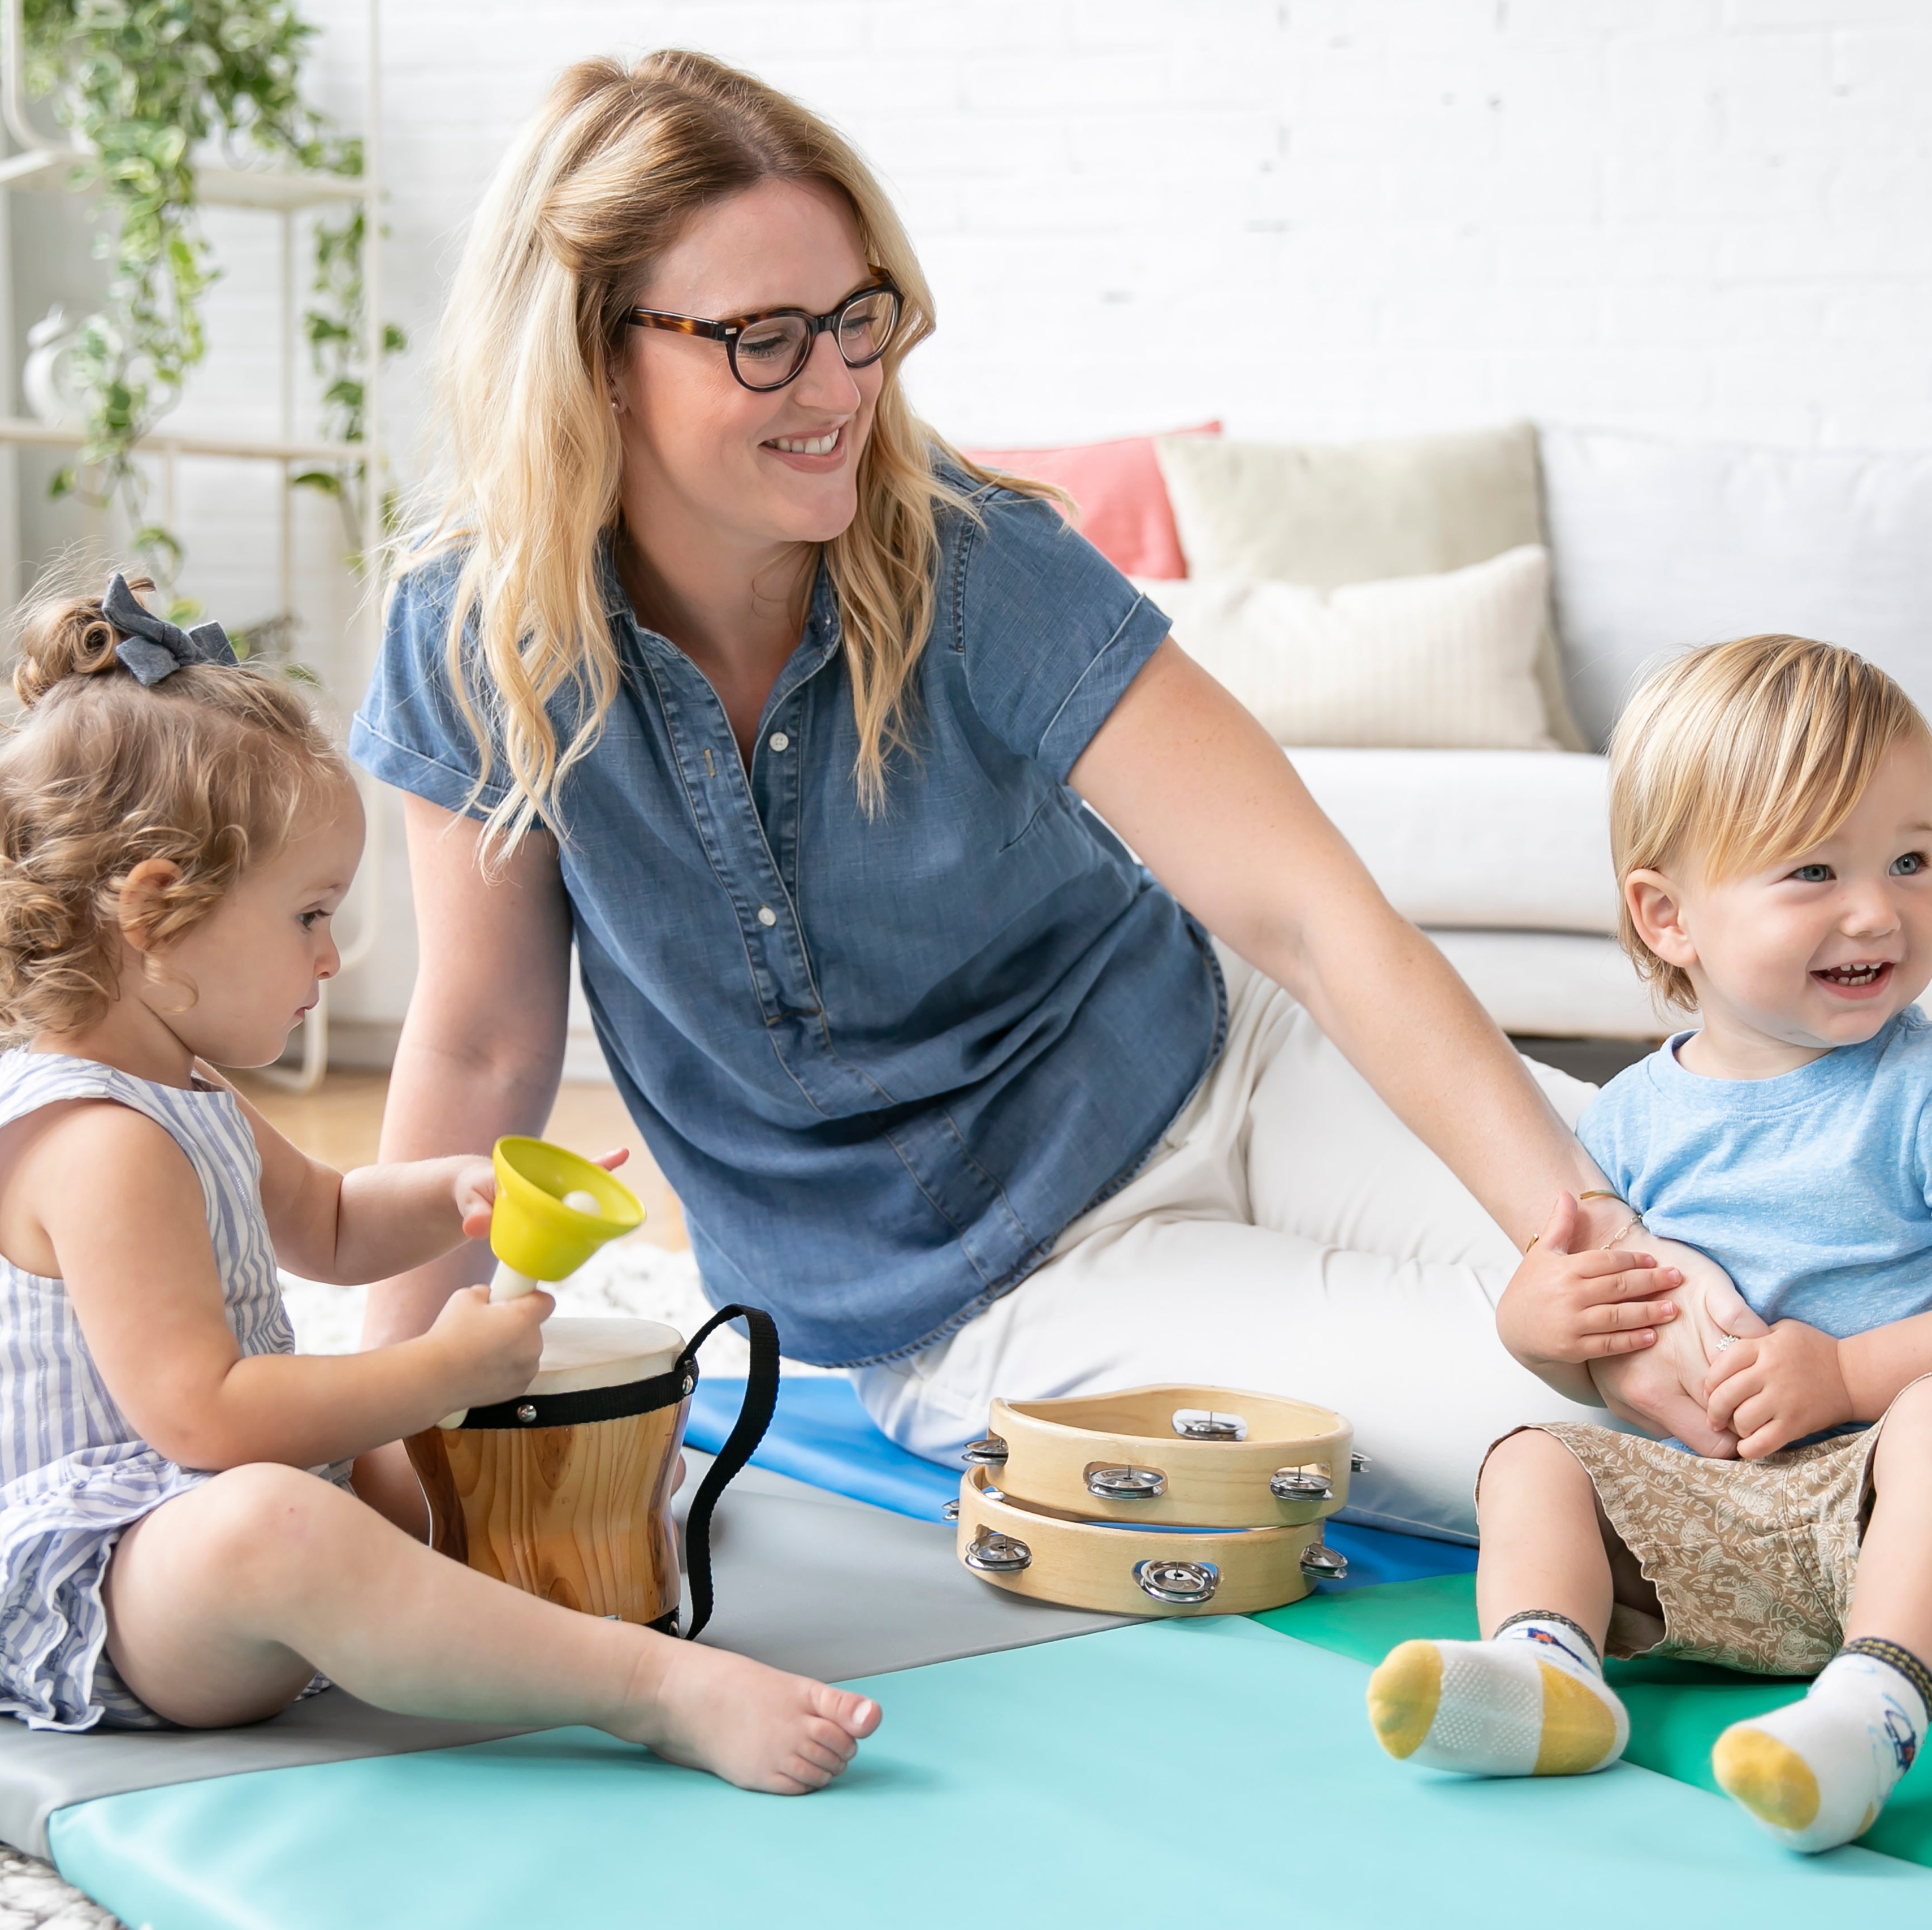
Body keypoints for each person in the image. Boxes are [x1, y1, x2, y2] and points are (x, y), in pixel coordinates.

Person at [352, 49, 1756, 1545]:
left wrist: (1593, 1233)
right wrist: (374, 1418)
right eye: (764, 340)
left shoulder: (972, 559)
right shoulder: (472, 639)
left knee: (1764, 1278)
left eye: (857, 320)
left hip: (1233, 1067)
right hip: (993, 1293)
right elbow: (487, 1040)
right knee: (1600, 1433)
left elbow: (1308, 917)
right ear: (594, 355)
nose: (837, 389)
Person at [0, 574, 878, 1795]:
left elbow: (330, 1219)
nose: (330, 954)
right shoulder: (98, 1138)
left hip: (201, 1510)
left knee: (459, 1461)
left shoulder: (183, 1085)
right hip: (98, 1582)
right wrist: (434, 1371)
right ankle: (643, 1685)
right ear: (155, 911)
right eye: (308, 914)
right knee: (290, 1519)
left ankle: (557, 1567)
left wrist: (452, 1189)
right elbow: (201, 1415)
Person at [1368, 637, 1932, 1851]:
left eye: (1908, 858)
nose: (1876, 908)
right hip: (1730, 1531)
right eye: (1814, 868)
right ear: (1666, 916)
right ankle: (1549, 1672)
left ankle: (1870, 1707)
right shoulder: (1625, 1118)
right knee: (1531, 1459)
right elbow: (1602, 1333)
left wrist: (1848, 1374)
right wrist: (1542, 1327)